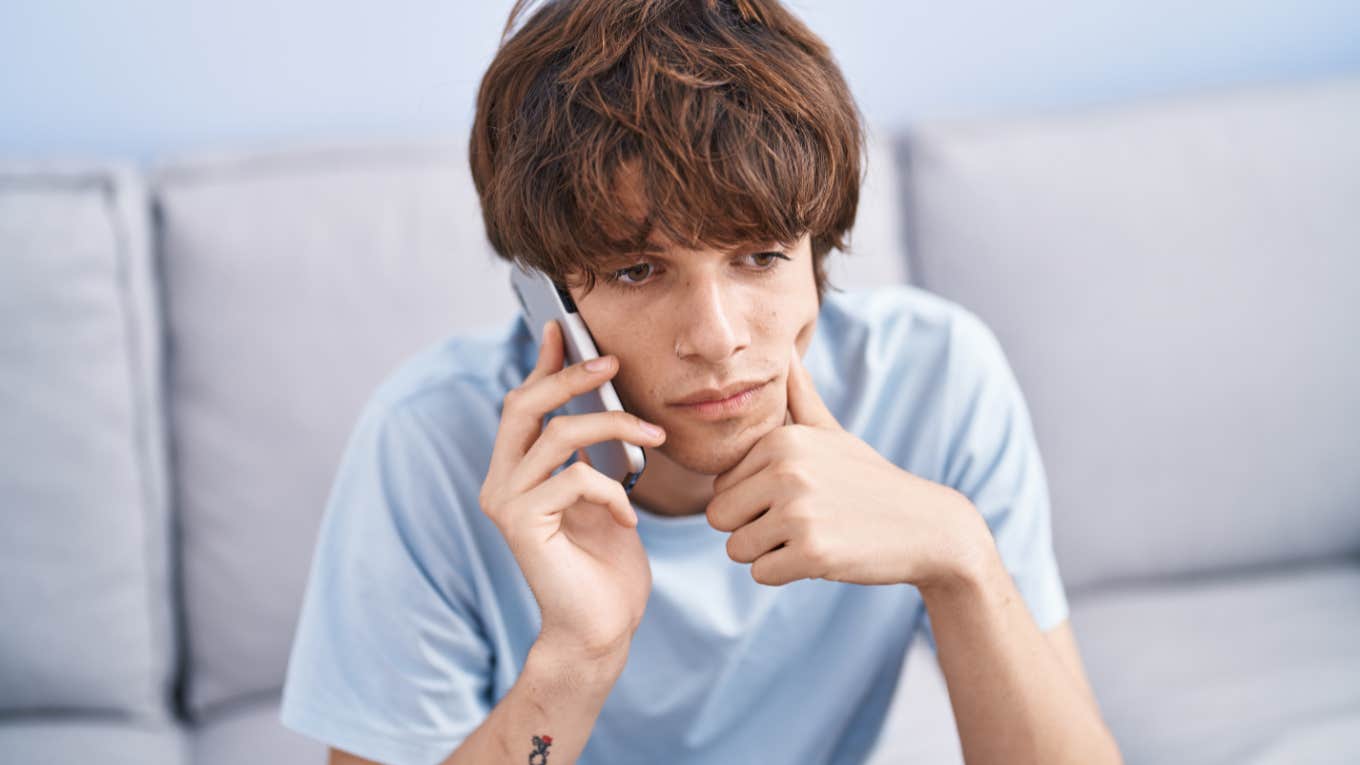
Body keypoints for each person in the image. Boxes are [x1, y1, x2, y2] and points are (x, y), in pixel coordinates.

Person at [279, 1, 1123, 763]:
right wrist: (579, 657)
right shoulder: (427, 445)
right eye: (640, 270)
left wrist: (961, 558)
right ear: (545, 293)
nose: (718, 339)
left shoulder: (937, 381)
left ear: (818, 250)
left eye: (761, 256)